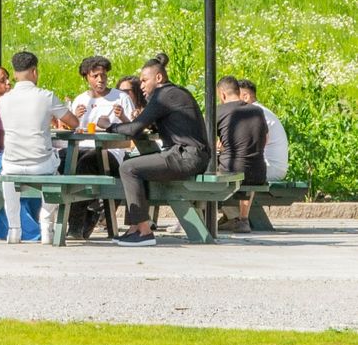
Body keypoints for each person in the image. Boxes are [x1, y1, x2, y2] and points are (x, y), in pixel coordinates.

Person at [102, 52, 211, 247]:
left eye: (144, 80)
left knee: (129, 168)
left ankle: (144, 231)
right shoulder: (174, 93)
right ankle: (135, 227)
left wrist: (109, 126)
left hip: (186, 156)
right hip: (190, 155)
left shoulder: (163, 95)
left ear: (158, 78)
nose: (141, 85)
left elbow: (135, 128)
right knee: (137, 167)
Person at [0, 51, 78, 243]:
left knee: (7, 176)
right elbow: (73, 122)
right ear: (34, 71)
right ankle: (46, 223)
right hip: (40, 163)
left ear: (15, 74)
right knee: (57, 176)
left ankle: (14, 229)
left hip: (13, 162)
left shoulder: (3, 100)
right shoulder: (46, 97)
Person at [64, 56, 133, 238]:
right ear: (87, 77)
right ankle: (73, 216)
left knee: (86, 162)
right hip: (82, 147)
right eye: (95, 76)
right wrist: (75, 118)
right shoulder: (81, 99)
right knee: (64, 160)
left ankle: (77, 224)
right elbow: (73, 129)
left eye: (103, 75)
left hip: (110, 152)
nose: (100, 80)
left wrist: (122, 118)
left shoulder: (120, 98)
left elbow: (133, 132)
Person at [215, 76, 269, 233]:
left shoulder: (219, 111)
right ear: (238, 92)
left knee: (207, 173)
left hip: (231, 169)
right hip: (259, 172)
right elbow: (265, 138)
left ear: (222, 94)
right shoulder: (257, 111)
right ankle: (243, 219)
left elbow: (204, 141)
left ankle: (216, 217)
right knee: (248, 166)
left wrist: (222, 148)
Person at [238, 79, 289, 183]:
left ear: (246, 97)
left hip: (271, 168)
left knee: (228, 170)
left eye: (235, 97)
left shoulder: (255, 113)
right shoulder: (261, 111)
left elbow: (247, 144)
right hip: (273, 167)